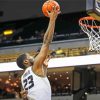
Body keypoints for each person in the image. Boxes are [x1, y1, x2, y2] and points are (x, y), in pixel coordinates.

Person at [16, 5, 60, 100]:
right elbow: (46, 42)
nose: (32, 56)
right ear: (26, 62)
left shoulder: (23, 78)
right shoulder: (34, 66)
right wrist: (52, 20)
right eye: (30, 56)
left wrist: (44, 67)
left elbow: (32, 93)